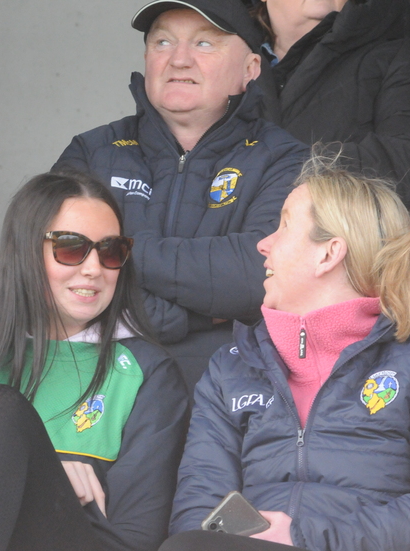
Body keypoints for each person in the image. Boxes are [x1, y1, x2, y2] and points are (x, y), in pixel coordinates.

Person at [134, 154, 410, 551]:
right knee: (184, 550)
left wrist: (301, 537)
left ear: (329, 253)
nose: (263, 244)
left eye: (284, 226)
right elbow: (198, 512)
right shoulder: (232, 366)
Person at [54, 0, 309, 389]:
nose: (179, 60)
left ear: (251, 69)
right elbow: (52, 266)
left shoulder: (285, 159)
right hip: (91, 385)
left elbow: (257, 275)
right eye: (163, 42)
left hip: (228, 389)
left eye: (204, 43)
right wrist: (188, 316)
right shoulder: (91, 152)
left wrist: (115, 251)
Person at [0, 171, 190, 551]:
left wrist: (43, 479)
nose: (94, 269)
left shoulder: (148, 371)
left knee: (2, 408)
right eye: (71, 248)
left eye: (111, 251)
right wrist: (50, 474)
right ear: (24, 252)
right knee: (1, 410)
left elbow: (136, 542)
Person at [247, 0, 410, 248]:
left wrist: (268, 165)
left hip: (357, 266)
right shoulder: (220, 62)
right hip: (236, 262)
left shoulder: (405, 59)